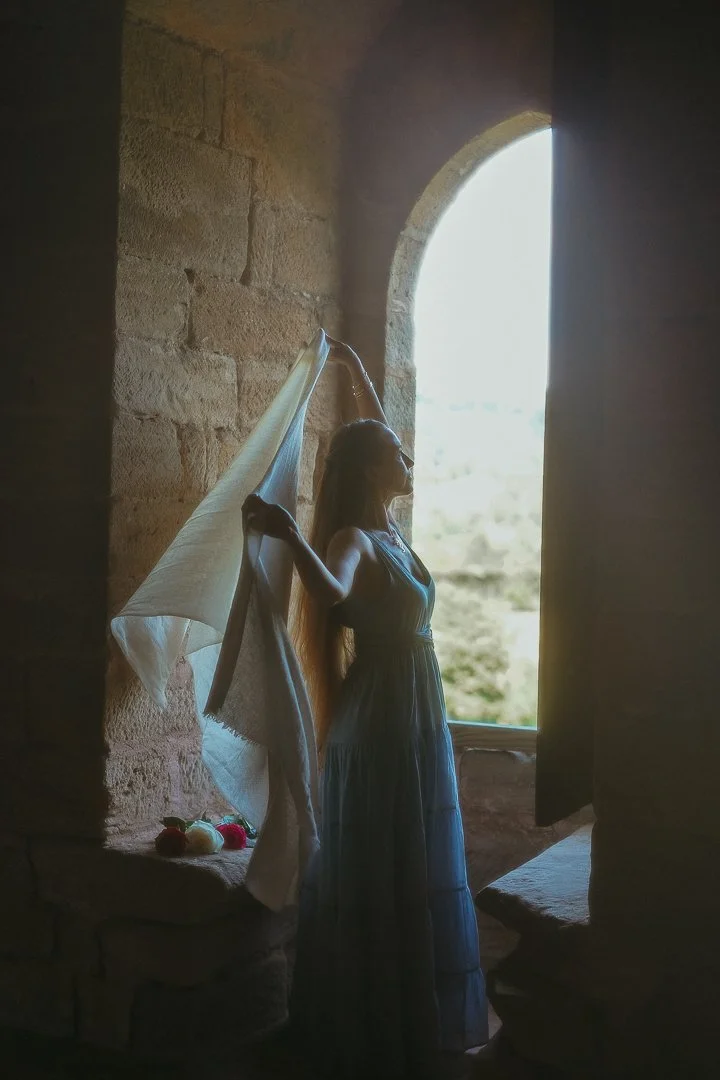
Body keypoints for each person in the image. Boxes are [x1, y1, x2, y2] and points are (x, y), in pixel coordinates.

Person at [243, 337, 488, 1079]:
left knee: (407, 855)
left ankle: (402, 1009)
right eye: (398, 454)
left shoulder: (389, 528)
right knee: (384, 860)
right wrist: (288, 533)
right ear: (370, 471)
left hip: (410, 703)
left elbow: (375, 443)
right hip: (382, 709)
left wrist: (352, 372)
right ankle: (371, 1021)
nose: (408, 460)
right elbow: (332, 592)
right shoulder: (354, 538)